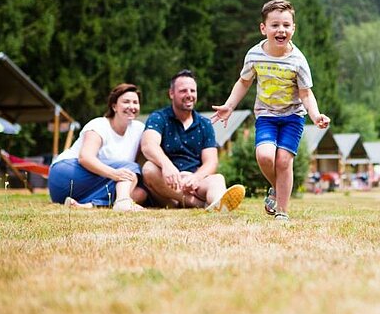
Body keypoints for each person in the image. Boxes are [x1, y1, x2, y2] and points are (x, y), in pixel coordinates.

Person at [212, 0, 330, 221]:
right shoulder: (254, 55)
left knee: (284, 161)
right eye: (275, 25)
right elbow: (244, 82)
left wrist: (315, 116)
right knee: (265, 156)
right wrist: (229, 105)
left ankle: (282, 212)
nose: (281, 30)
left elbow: (306, 93)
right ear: (263, 28)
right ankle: (278, 188)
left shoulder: (298, 60)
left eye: (286, 25)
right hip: (266, 115)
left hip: (292, 116)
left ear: (293, 28)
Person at [141, 70, 245, 211]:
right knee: (148, 168)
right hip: (167, 185)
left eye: (192, 91)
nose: (189, 95)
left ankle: (218, 203)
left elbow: (211, 161)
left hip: (194, 182)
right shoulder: (159, 118)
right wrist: (167, 166)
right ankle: (201, 205)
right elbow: (148, 145)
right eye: (183, 91)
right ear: (171, 94)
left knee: (217, 178)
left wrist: (196, 177)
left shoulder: (204, 123)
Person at [48, 83, 146, 212]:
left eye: (135, 102)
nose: (131, 106)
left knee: (140, 193)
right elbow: (85, 158)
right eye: (126, 102)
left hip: (82, 189)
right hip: (66, 173)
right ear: (114, 106)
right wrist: (115, 174)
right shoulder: (99, 125)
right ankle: (123, 202)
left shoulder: (139, 129)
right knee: (130, 168)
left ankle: (87, 205)